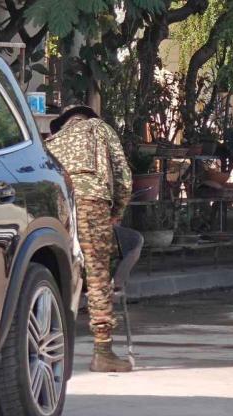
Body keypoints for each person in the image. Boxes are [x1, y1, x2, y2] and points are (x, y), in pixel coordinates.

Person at [46, 105, 133, 372]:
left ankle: (48, 349)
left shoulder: (52, 141)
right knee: (96, 274)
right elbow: (124, 177)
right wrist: (117, 212)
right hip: (92, 202)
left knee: (56, 274)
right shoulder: (100, 129)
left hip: (57, 204)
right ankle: (103, 351)